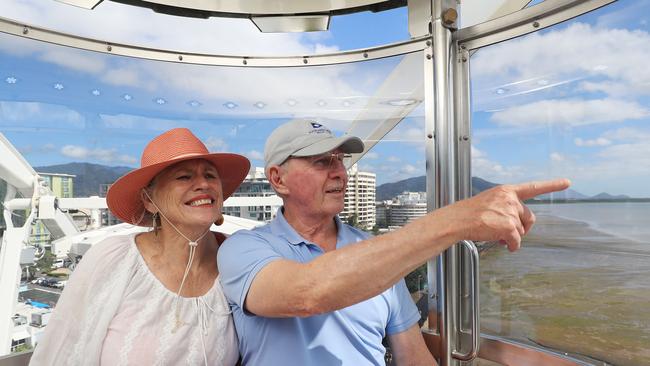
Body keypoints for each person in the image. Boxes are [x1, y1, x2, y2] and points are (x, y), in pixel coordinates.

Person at [218, 119, 571, 365]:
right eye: (321, 162)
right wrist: (459, 220)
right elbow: (306, 294)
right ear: (278, 179)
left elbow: (412, 355)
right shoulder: (243, 249)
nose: (339, 171)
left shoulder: (374, 253)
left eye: (340, 160)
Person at [30, 128, 250, 365]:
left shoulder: (239, 258)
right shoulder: (115, 260)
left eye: (210, 175)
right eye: (184, 177)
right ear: (149, 200)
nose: (203, 184)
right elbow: (62, 352)